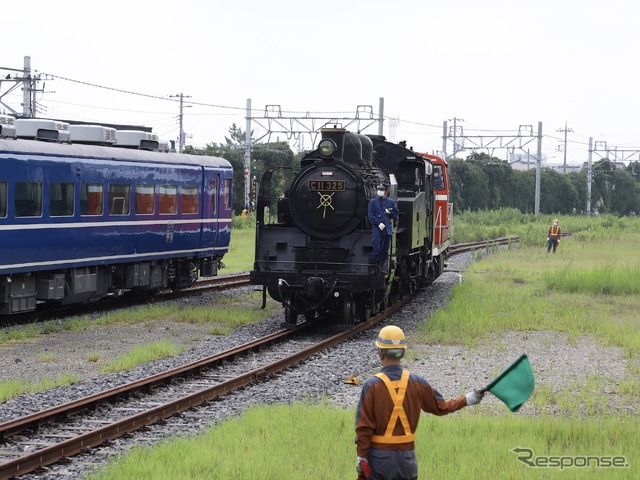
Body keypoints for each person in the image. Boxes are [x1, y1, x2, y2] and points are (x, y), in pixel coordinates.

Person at [355, 326, 484, 480]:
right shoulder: (418, 383)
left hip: (379, 460)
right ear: (402, 352)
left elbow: (364, 427)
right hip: (407, 459)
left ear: (380, 352)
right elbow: (441, 407)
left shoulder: (372, 386)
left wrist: (361, 456)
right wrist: (467, 399)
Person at [368, 184, 398, 273]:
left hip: (387, 228)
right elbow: (370, 215)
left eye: (382, 190)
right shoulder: (373, 202)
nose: (380, 191)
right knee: (376, 247)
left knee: (385, 249)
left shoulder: (391, 202)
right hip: (377, 227)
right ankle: (373, 266)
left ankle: (380, 267)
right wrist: (378, 223)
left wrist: (390, 213)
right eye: (379, 189)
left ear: (386, 191)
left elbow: (395, 215)